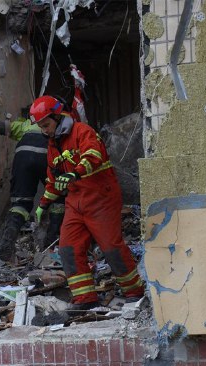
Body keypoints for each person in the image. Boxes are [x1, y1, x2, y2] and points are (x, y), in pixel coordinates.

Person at [30, 95, 144, 310]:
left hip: (101, 198)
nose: (44, 130)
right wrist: (43, 204)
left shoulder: (82, 132)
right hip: (76, 203)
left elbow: (93, 156)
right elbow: (53, 179)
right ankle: (85, 298)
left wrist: (75, 173)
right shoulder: (53, 147)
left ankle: (134, 291)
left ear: (58, 116)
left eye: (46, 124)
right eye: (41, 127)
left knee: (111, 248)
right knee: (68, 249)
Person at [0, 107, 60, 261]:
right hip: (46, 153)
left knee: (20, 204)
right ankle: (52, 245)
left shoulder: (25, 125)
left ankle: (8, 241)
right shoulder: (52, 126)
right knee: (57, 201)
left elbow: (0, 127)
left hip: (22, 155)